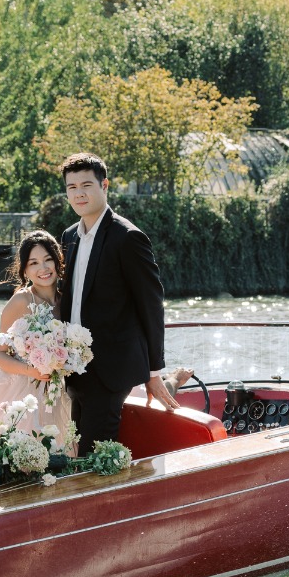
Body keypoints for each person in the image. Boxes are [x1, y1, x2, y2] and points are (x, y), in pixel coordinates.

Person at [58, 152, 176, 455]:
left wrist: (153, 371)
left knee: (95, 454)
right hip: (74, 368)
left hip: (111, 369)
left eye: (86, 184)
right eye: (72, 187)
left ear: (105, 185)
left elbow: (151, 306)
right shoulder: (69, 236)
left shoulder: (128, 237)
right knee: (76, 452)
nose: (79, 193)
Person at [0, 229, 74, 447]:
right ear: (25, 269)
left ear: (58, 261)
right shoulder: (20, 301)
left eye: (48, 259)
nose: (43, 268)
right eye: (34, 263)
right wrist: (32, 371)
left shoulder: (66, 300)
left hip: (56, 391)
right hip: (21, 388)